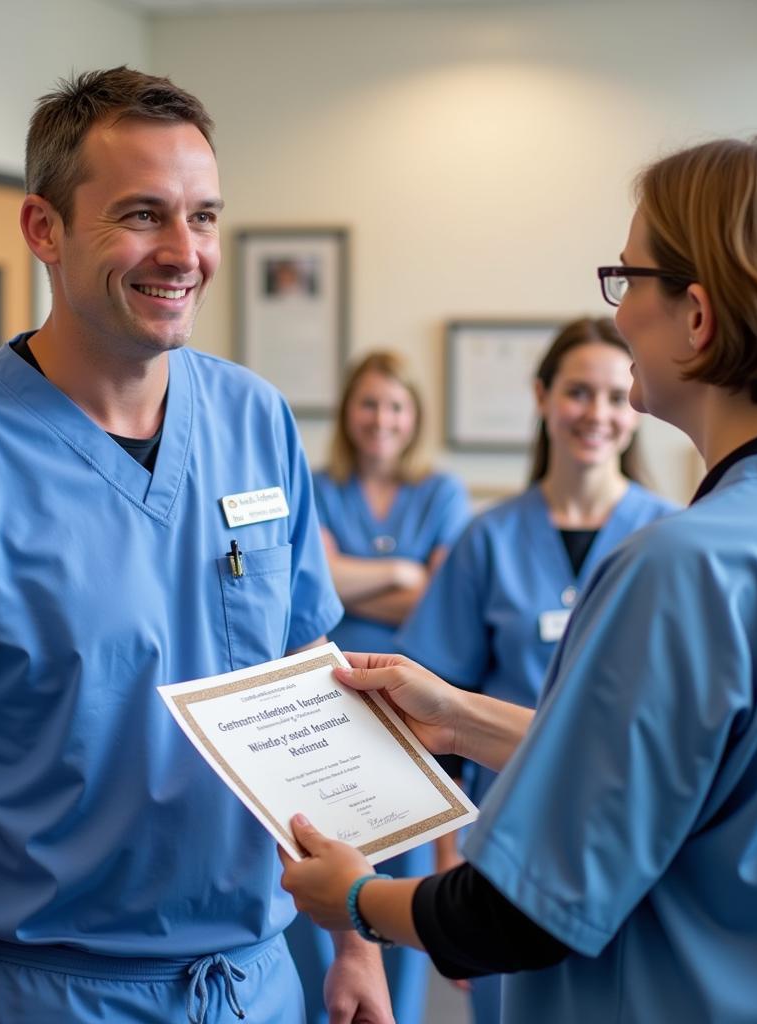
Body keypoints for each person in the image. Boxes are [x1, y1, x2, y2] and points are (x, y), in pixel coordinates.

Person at [0, 67, 392, 1024]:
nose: (185, 253)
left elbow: (314, 683)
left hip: (257, 979)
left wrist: (351, 941)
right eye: (143, 215)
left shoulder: (254, 419)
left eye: (204, 217)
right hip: (52, 990)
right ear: (43, 229)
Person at [281, 132, 757, 1023]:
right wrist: (464, 718)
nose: (619, 315)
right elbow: (696, 779)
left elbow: (518, 912)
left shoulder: (683, 565)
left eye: (628, 281)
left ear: (697, 318)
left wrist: (357, 900)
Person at [397, 317, 676, 1022]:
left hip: (635, 842)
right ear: (543, 397)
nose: (599, 414)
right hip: (504, 845)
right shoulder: (488, 540)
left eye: (617, 396)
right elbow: (430, 721)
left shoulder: (672, 540)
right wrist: (446, 862)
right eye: (579, 392)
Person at [286, 351, 470, 1024]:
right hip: (330, 705)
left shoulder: (442, 491)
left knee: (406, 868)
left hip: (408, 716)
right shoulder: (316, 483)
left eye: (395, 404)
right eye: (368, 403)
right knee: (320, 867)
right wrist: (404, 570)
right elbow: (315, 587)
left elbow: (441, 602)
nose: (381, 418)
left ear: (414, 416)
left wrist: (356, 580)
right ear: (347, 413)